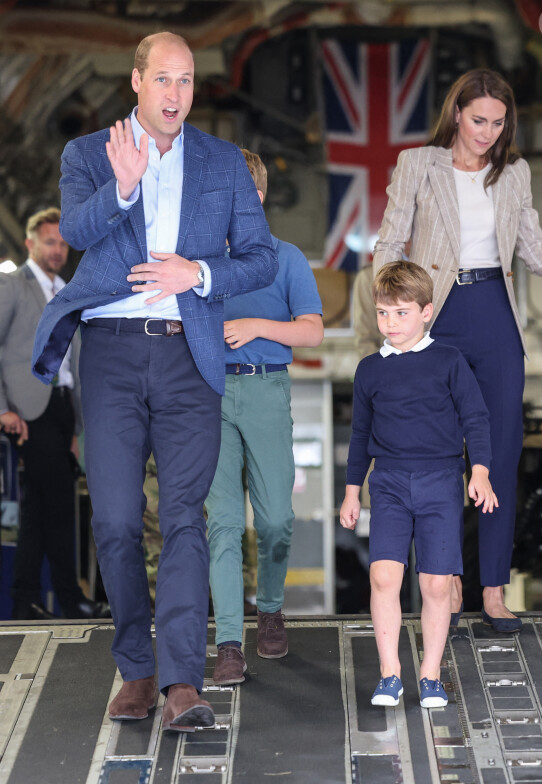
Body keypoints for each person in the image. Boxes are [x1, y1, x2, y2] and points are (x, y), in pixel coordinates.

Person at [31, 33, 277, 731]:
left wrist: (196, 275)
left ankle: (180, 683)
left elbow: (258, 258)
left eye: (188, 81)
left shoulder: (224, 163)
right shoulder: (87, 154)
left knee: (182, 522)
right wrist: (126, 186)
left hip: (185, 355)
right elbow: (77, 228)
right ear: (136, 83)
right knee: (112, 521)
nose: (176, 94)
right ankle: (135, 668)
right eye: (163, 79)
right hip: (107, 356)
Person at [373, 68, 542, 632]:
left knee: (501, 453)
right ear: (456, 113)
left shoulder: (514, 172)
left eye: (498, 121)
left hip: (493, 314)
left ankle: (493, 589)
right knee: (432, 456)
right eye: (478, 119)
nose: (488, 131)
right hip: (435, 314)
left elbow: (534, 254)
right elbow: (390, 243)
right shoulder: (418, 164)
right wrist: (393, 316)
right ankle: (443, 583)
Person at [340, 260, 497, 708]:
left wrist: (480, 469)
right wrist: (352, 490)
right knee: (383, 576)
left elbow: (476, 417)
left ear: (427, 312)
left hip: (441, 483)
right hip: (387, 483)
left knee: (434, 585)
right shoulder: (369, 369)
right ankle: (391, 673)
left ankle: (430, 675)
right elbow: (359, 436)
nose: (391, 322)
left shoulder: (449, 361)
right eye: (384, 313)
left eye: (402, 313)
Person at [205, 149, 323, 685]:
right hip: (208, 395)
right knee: (223, 524)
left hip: (266, 389)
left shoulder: (286, 258)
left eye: (244, 192)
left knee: (276, 519)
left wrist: (256, 325)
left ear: (259, 195)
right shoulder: (201, 261)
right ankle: (229, 640)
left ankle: (269, 606)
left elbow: (312, 331)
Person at [0, 208, 108, 621]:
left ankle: (25, 597)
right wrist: (3, 410)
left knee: (40, 509)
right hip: (29, 410)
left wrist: (78, 424)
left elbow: (73, 362)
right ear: (30, 243)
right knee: (60, 505)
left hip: (62, 407)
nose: (58, 249)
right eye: (50, 242)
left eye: (62, 243)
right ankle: (69, 598)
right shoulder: (13, 286)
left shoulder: (66, 290)